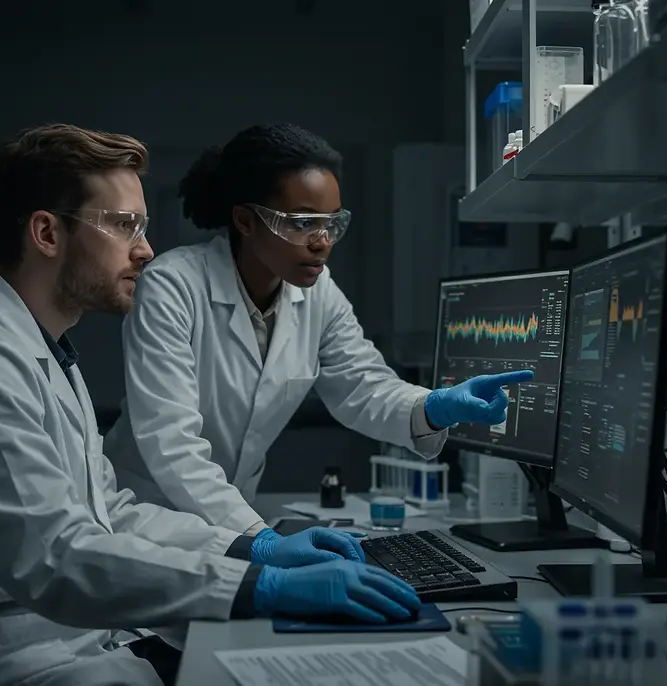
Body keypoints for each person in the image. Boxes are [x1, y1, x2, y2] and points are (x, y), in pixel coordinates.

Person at [0, 123, 421, 686]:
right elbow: (56, 558)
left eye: (142, 226)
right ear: (47, 234)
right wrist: (256, 585)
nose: (146, 249)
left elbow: (112, 512)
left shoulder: (42, 352)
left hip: (67, 639)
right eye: (123, 225)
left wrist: (252, 549)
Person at [103, 122, 534, 535]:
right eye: (302, 222)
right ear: (246, 221)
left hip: (233, 521)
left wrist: (435, 406)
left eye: (331, 223)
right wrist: (258, 534)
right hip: (147, 515)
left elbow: (363, 387)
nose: (322, 241)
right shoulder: (171, 285)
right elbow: (171, 441)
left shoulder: (317, 292)